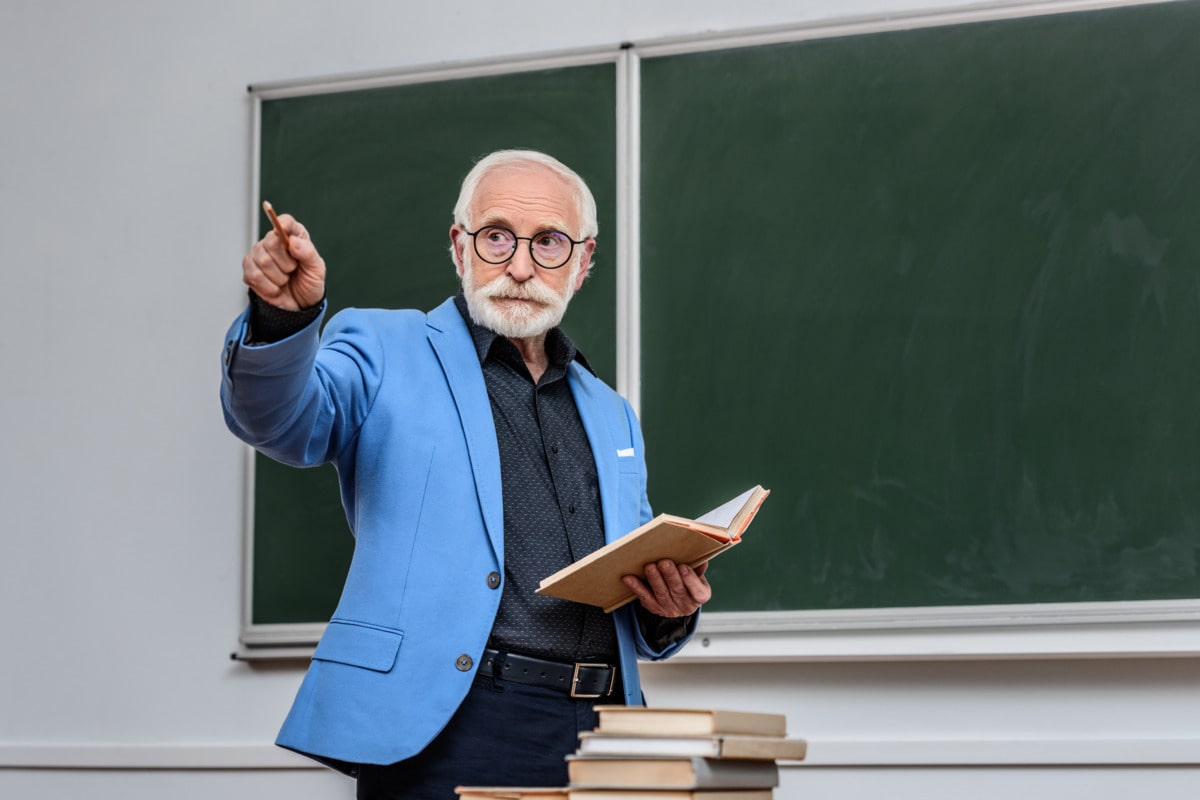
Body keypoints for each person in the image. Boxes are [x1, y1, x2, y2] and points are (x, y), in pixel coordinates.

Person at [220, 149, 712, 799]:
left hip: (605, 732)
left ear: (584, 262)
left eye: (549, 244)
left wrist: (666, 611)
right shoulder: (382, 348)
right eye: (498, 236)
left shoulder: (611, 412)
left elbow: (629, 577)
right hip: (450, 724)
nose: (519, 266)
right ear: (460, 246)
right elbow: (279, 421)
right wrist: (282, 320)